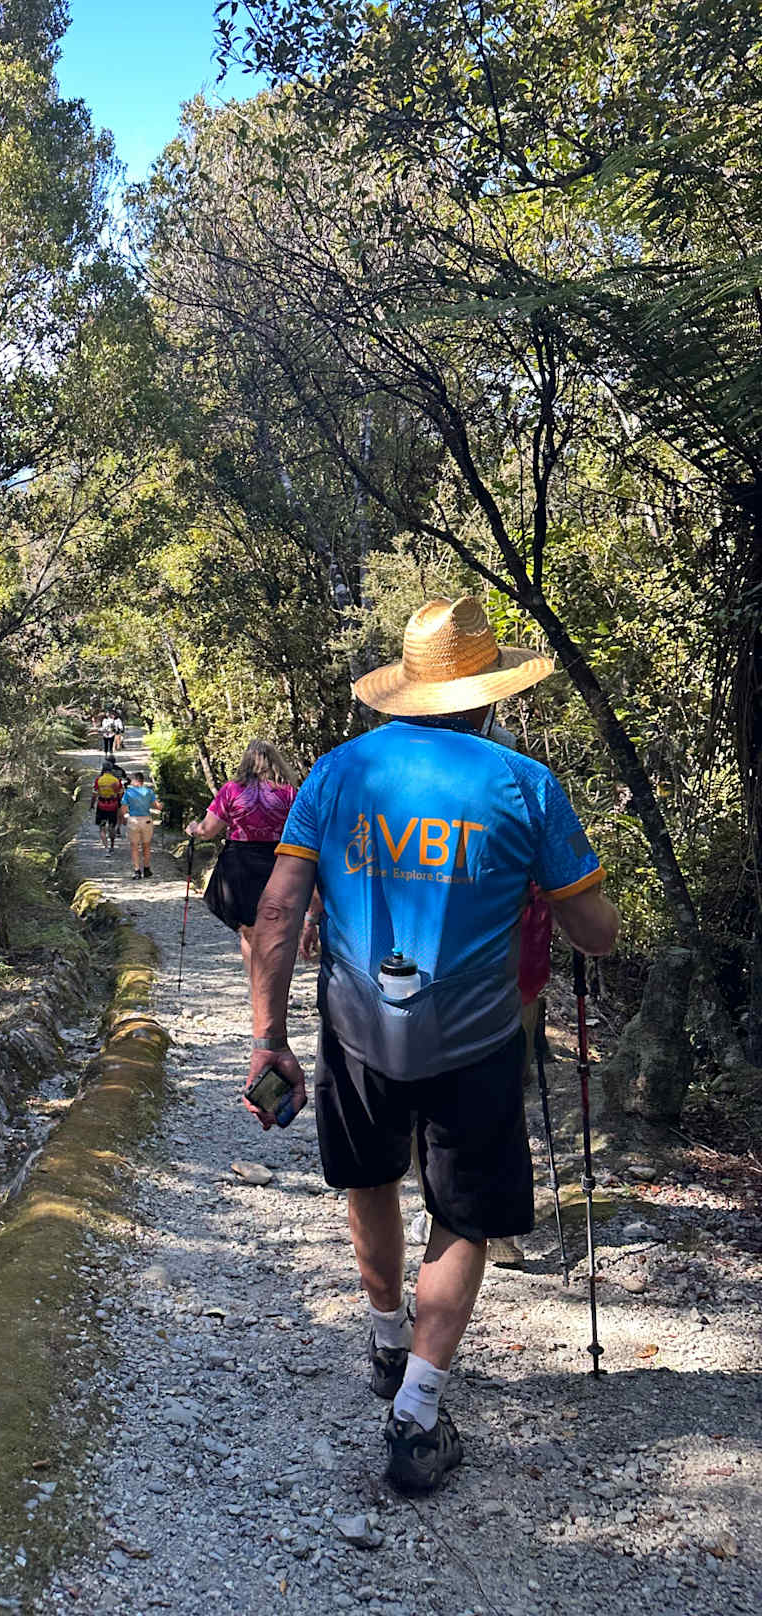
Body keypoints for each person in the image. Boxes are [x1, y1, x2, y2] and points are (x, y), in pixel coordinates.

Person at [246, 596, 619, 1493]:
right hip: (477, 1037)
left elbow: (278, 910)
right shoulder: (525, 786)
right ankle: (415, 1415)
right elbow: (596, 933)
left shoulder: (335, 775)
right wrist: (554, 893)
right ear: (489, 694)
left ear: (410, 689)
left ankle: (385, 1340)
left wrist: (269, 1039)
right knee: (461, 1216)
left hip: (357, 1029)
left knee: (369, 1179)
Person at [185, 740, 296, 980]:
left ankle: (257, 982)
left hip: (240, 863)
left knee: (248, 929)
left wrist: (193, 828)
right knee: (271, 926)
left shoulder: (232, 790)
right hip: (277, 862)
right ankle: (271, 982)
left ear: (246, 760)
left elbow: (208, 830)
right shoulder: (289, 793)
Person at [122, 770, 161, 879]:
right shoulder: (149, 791)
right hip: (146, 821)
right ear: (142, 781)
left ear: (135, 781)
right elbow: (157, 806)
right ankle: (147, 869)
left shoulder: (128, 792)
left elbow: (123, 809)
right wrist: (161, 805)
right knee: (146, 845)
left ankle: (137, 871)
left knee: (134, 847)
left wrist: (124, 818)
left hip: (133, 820)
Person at [90, 759, 127, 852]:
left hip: (101, 805)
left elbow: (94, 794)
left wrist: (92, 804)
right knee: (112, 826)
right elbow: (121, 794)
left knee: (102, 828)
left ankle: (106, 848)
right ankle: (112, 846)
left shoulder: (99, 780)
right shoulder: (116, 780)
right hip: (113, 806)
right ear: (111, 770)